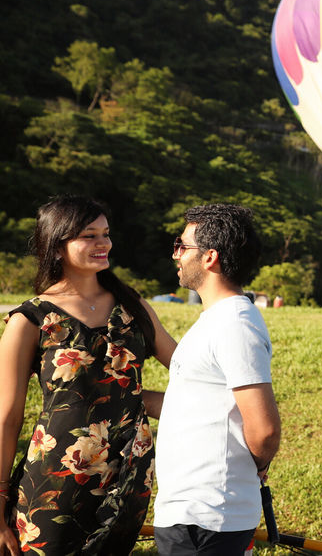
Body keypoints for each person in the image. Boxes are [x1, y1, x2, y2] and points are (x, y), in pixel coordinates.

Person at [0, 195, 177, 555]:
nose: (103, 243)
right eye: (89, 235)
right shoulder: (30, 320)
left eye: (106, 233)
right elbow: (6, 416)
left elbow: (188, 372)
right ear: (57, 245)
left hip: (129, 474)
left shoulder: (132, 306)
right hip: (57, 478)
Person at [153, 204, 281, 556]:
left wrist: (252, 464)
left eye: (182, 245)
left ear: (210, 257)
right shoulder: (217, 319)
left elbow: (265, 430)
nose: (175, 254)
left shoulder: (235, 323)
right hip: (193, 515)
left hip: (207, 518)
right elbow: (195, 407)